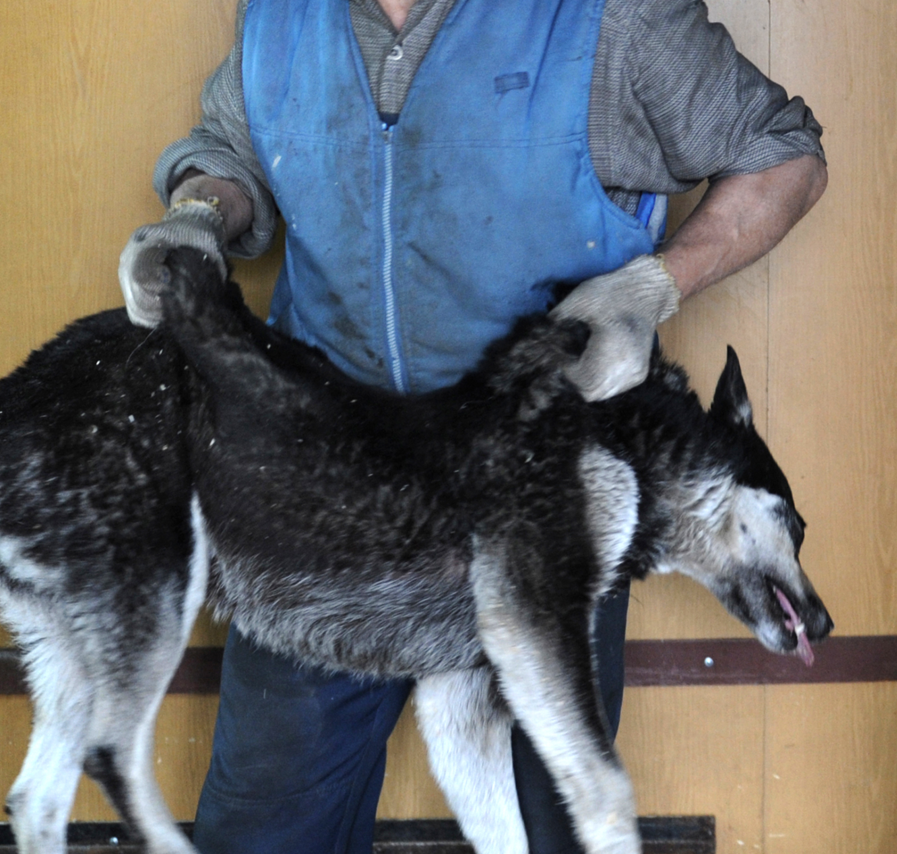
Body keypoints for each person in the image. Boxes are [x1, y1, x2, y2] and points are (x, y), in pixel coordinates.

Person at [118, 0, 827, 851]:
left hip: (546, 497)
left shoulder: (608, 17)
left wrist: (657, 285)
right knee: (265, 827)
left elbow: (782, 155)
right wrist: (199, 209)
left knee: (556, 828)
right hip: (323, 497)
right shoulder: (283, 16)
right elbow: (233, 152)